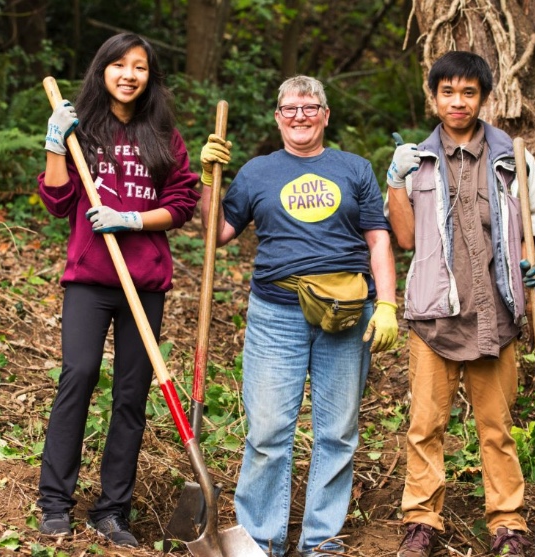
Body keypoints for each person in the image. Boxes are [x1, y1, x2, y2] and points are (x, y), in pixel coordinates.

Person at [199, 75, 398, 557]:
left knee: (337, 432)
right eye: (290, 108)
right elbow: (215, 234)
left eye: (310, 108)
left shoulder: (354, 169)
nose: (300, 116)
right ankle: (260, 541)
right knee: (267, 432)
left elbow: (378, 239)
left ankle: (321, 542)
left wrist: (390, 303)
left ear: (326, 115)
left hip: (347, 312)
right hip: (275, 314)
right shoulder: (255, 172)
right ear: (277, 117)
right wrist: (208, 181)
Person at [384, 51, 535, 557]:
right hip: (435, 314)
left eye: (469, 93)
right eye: (448, 92)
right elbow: (406, 237)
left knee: (497, 427)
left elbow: (534, 228)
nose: (458, 102)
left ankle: (507, 523)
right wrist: (394, 181)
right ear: (433, 97)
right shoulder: (415, 159)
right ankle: (422, 522)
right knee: (425, 426)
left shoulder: (512, 157)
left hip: (495, 311)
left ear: (483, 97)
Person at [35, 33, 200, 545]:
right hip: (90, 280)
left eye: (140, 67)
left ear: (150, 77)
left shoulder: (163, 134)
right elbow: (59, 201)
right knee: (78, 375)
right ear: (102, 70)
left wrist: (131, 218)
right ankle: (55, 501)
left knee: (131, 394)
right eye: (119, 65)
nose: (129, 74)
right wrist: (55, 143)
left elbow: (182, 202)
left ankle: (112, 511)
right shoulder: (82, 128)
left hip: (143, 282)